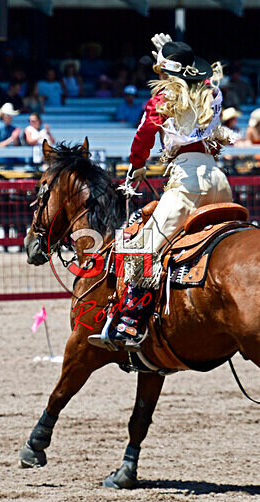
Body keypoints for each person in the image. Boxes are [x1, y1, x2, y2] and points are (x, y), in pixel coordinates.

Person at [98, 35, 236, 351]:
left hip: (186, 182)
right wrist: (176, 55)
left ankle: (130, 321)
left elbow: (144, 135)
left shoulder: (162, 100)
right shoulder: (212, 93)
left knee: (142, 249)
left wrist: (137, 166)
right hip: (219, 181)